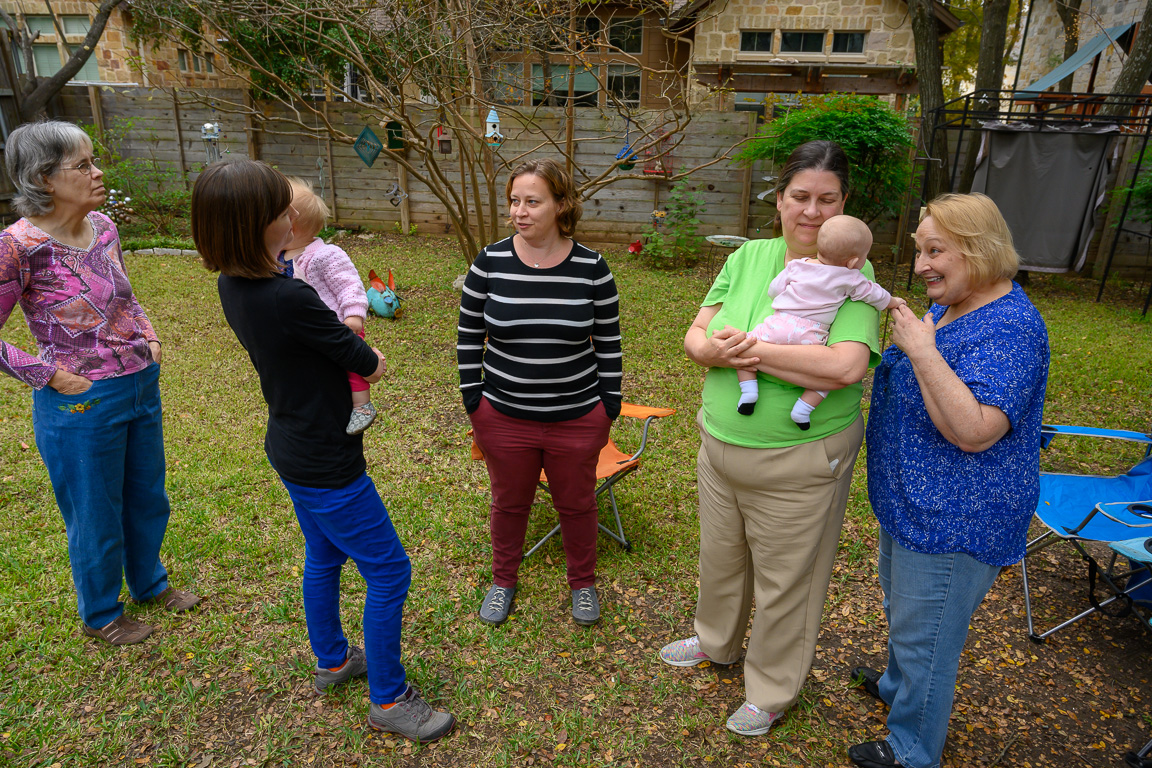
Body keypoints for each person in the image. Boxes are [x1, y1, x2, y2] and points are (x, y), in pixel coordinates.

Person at [192, 158, 454, 742]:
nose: (291, 215)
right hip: (326, 461)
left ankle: (334, 660)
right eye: (279, 208)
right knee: (390, 571)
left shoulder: (233, 283)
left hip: (289, 444)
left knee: (324, 555)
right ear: (255, 224)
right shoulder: (289, 297)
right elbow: (368, 362)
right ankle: (389, 698)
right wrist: (371, 358)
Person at [658, 140, 880, 737]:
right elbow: (698, 334)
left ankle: (773, 688)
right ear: (778, 200)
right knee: (721, 558)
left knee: (789, 582)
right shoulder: (750, 256)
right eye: (800, 197)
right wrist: (710, 350)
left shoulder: (852, 273)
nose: (812, 212)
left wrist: (744, 352)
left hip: (801, 459)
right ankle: (716, 641)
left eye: (827, 200)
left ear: (844, 205)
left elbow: (843, 368)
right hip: (720, 445)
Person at [848, 193, 1049, 768]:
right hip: (915, 502)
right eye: (920, 251)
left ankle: (913, 746)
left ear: (980, 253)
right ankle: (895, 688)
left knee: (928, 636)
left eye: (936, 252)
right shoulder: (954, 302)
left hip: (956, 516)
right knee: (907, 611)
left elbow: (975, 430)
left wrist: (919, 350)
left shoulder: (1012, 328)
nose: (920, 266)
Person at [0, 120, 200, 646]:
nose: (98, 172)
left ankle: (150, 584)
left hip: (139, 383)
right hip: (80, 404)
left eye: (94, 160)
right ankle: (103, 613)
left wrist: (150, 337)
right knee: (94, 511)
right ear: (44, 178)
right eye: (82, 165)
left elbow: (125, 295)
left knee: (147, 497)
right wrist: (51, 376)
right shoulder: (18, 246)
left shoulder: (105, 226)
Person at [457, 158, 622, 628]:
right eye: (514, 201)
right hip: (504, 416)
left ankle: (583, 583)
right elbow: (469, 337)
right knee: (509, 502)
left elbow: (609, 344)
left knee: (577, 503)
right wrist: (476, 402)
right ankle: (503, 580)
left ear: (561, 205)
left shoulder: (593, 268)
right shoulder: (489, 262)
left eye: (533, 201)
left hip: (576, 417)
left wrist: (605, 409)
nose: (520, 211)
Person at [735, 214, 904, 427]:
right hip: (811, 335)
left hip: (778, 325)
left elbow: (774, 289)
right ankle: (802, 410)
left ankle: (749, 392)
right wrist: (893, 301)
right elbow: (874, 295)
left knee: (744, 346)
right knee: (826, 379)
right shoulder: (851, 277)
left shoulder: (797, 265)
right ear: (853, 261)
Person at [281, 177, 376, 435]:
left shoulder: (326, 255)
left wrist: (355, 315)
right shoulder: (281, 255)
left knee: (353, 365)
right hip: (311, 331)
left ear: (293, 225)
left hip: (342, 324)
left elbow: (350, 285)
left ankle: (362, 405)